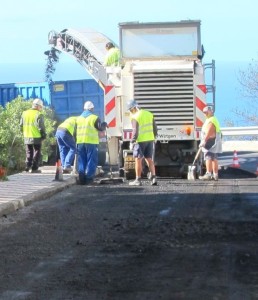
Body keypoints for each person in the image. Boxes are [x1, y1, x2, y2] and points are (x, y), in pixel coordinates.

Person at [127, 99, 158, 186]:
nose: (130, 112)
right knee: (149, 159)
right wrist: (153, 137)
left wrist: (132, 141)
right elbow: (155, 129)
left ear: (133, 108)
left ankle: (138, 179)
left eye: (130, 110)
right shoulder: (149, 114)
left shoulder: (135, 117)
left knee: (138, 159)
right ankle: (153, 177)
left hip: (140, 141)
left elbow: (135, 131)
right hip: (150, 140)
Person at [76, 101, 107, 185]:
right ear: (92, 109)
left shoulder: (78, 118)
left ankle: (81, 178)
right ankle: (89, 179)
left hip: (80, 142)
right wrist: (104, 124)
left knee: (82, 160)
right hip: (91, 142)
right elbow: (100, 128)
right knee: (91, 160)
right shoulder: (94, 117)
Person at [20, 98, 46, 173]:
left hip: (26, 136)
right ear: (38, 106)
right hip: (36, 136)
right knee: (37, 151)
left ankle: (27, 166)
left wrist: (24, 133)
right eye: (41, 107)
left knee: (29, 151)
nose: (41, 109)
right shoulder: (38, 114)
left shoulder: (24, 113)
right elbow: (41, 127)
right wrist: (43, 135)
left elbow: (21, 125)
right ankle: (34, 168)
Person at [199, 106, 222, 181]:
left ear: (210, 111)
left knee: (208, 157)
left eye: (206, 112)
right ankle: (215, 174)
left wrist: (204, 141)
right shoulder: (211, 119)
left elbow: (209, 131)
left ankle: (208, 174)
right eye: (204, 112)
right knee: (214, 158)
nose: (205, 114)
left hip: (210, 141)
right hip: (214, 140)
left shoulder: (211, 120)